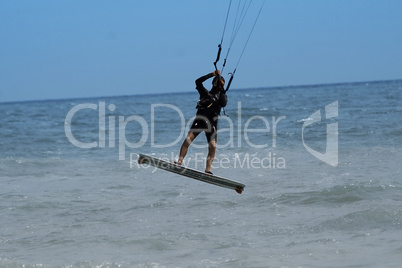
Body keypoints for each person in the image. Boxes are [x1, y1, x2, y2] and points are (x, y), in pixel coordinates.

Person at [176, 70, 227, 174]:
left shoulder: (221, 97)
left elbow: (223, 103)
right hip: (200, 121)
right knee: (188, 140)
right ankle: (179, 161)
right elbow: (198, 82)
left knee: (213, 146)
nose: (220, 87)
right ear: (214, 83)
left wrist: (222, 89)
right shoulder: (205, 93)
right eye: (219, 84)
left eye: (222, 85)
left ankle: (208, 170)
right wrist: (211, 75)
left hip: (212, 123)